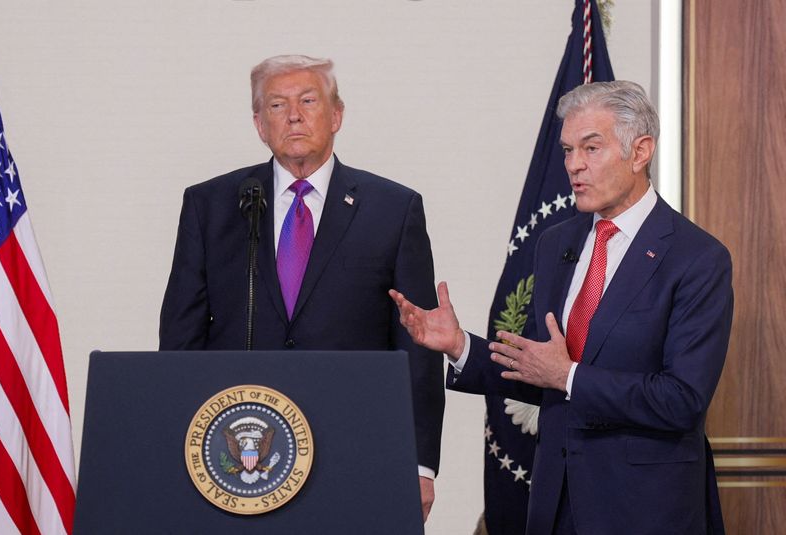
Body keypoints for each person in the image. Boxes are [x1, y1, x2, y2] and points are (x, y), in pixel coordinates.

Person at [390, 81, 732, 534]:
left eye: (591, 148)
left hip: (646, 510)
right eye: (568, 150)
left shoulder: (696, 258)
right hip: (556, 506)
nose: (573, 165)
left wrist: (567, 375)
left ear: (641, 151)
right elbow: (541, 371)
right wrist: (460, 346)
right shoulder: (556, 245)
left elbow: (681, 400)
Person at [159, 55, 444, 521]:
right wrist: (178, 444)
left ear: (336, 115)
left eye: (308, 100)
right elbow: (180, 338)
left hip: (355, 445)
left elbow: (417, 347)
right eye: (276, 104)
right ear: (258, 123)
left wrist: (419, 463)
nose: (293, 115)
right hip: (235, 456)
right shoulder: (210, 205)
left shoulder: (393, 209)